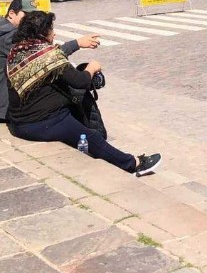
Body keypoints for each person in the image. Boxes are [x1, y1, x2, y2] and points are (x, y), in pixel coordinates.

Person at [6, 11, 161, 175]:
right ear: (42, 33)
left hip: (17, 122)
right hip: (40, 123)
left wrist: (77, 43)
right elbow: (80, 81)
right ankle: (133, 164)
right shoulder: (49, 57)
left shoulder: (17, 52)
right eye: (51, 29)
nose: (54, 33)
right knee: (91, 138)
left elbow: (51, 57)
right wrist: (91, 68)